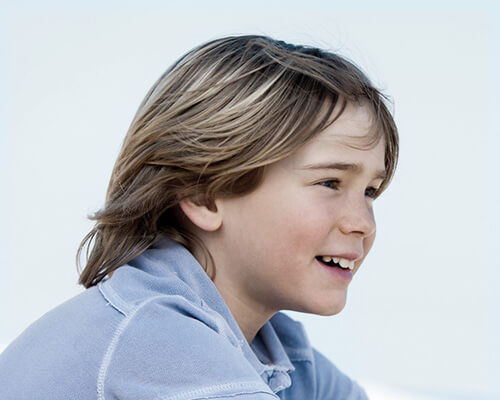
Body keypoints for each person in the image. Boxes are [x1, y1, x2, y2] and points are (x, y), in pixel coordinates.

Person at [0, 35, 398, 399]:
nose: (363, 223)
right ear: (204, 196)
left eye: (370, 191)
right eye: (330, 182)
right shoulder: (156, 335)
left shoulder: (281, 355)